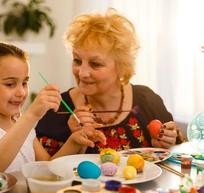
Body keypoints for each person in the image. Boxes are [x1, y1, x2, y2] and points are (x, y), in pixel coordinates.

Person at [36, 9, 185, 155]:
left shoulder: (146, 100)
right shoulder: (58, 110)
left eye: (95, 64)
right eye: (77, 60)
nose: (82, 72)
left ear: (121, 66)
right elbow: (44, 174)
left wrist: (165, 146)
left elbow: (180, 156)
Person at [0, 42, 105, 172]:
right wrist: (31, 116)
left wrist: (74, 141)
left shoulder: (21, 124)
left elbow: (47, 167)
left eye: (24, 83)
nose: (21, 92)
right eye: (10, 84)